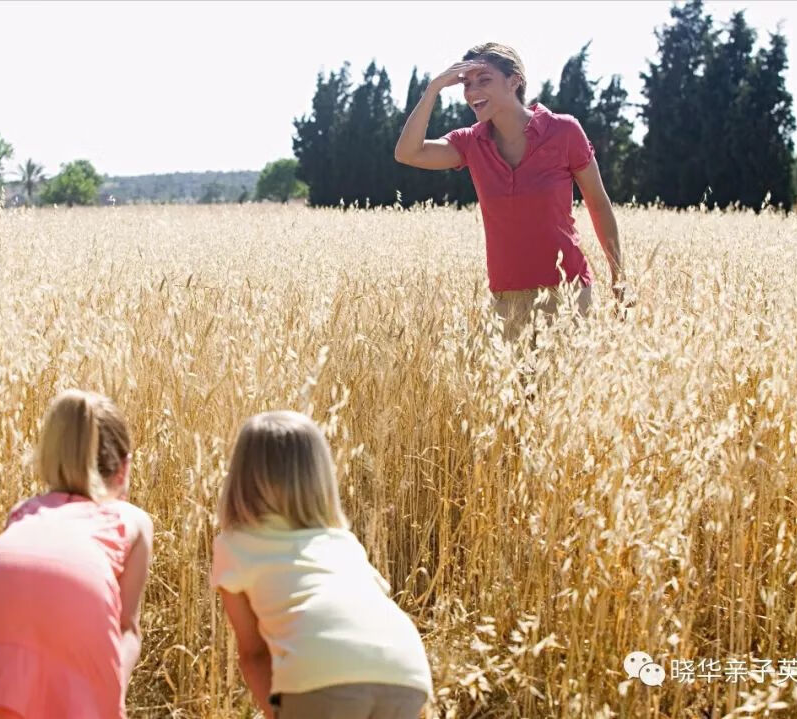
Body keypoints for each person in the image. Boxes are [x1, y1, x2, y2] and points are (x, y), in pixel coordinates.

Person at [0, 389, 154, 719]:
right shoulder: (132, 520)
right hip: (77, 589)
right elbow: (127, 629)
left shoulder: (23, 511)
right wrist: (103, 696)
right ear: (124, 467)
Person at [395, 42, 629, 343]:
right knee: (518, 392)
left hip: (569, 292)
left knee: (565, 389)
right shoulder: (470, 143)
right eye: (466, 84)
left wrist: (618, 277)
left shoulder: (564, 131)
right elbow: (407, 153)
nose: (471, 92)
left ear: (514, 81)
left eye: (484, 80)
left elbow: (598, 204)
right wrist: (433, 89)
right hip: (505, 297)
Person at [211, 411, 432, 719]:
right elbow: (377, 600)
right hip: (405, 665)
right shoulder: (342, 541)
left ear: (240, 477)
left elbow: (254, 655)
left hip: (321, 673)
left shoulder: (234, 545)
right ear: (320, 477)